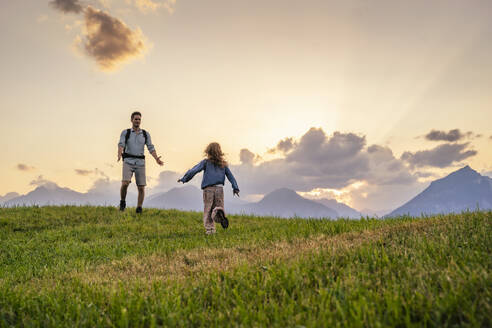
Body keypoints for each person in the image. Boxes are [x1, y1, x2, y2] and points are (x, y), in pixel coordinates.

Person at [178, 142, 240, 234]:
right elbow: (231, 177)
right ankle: (219, 212)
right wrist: (235, 188)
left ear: (208, 151)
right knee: (218, 206)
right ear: (220, 152)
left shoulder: (206, 162)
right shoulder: (223, 164)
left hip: (208, 189)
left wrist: (184, 179)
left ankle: (210, 229)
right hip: (219, 189)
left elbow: (194, 170)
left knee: (208, 208)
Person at [118, 111, 164, 214]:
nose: (137, 121)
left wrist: (156, 158)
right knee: (125, 183)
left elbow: (150, 147)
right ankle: (122, 203)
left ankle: (139, 208)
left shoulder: (145, 134)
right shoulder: (126, 132)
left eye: (139, 119)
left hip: (140, 163)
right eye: (136, 119)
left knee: (141, 187)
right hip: (128, 161)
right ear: (131, 120)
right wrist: (119, 153)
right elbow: (121, 144)